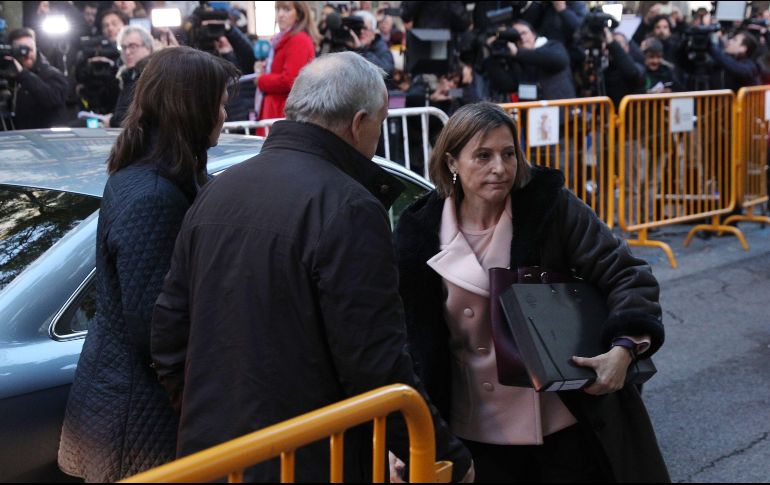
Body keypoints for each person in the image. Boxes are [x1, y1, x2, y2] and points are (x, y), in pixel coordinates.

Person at [151, 51, 474, 483]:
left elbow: (169, 334)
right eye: (379, 125)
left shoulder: (220, 189)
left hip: (213, 458)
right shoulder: (349, 206)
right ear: (359, 124)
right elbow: (374, 362)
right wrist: (445, 457)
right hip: (314, 460)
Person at [393, 102, 670, 482]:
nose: (500, 168)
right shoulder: (418, 233)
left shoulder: (548, 206)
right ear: (452, 162)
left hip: (565, 418)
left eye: (509, 154)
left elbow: (625, 272)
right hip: (474, 433)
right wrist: (403, 434)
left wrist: (623, 348)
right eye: (484, 156)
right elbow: (403, 339)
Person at [58, 46, 240, 482]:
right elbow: (154, 328)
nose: (224, 116)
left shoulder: (152, 176)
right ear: (192, 107)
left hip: (125, 405)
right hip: (135, 418)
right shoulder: (154, 196)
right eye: (218, 104)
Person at [254, 1, 317, 126]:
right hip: (277, 111)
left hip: (283, 113)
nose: (280, 14)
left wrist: (261, 80)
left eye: (286, 9)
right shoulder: (280, 39)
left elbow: (290, 80)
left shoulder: (299, 40)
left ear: (298, 14)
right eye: (278, 9)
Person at [4, 28, 68, 130]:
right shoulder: (9, 76)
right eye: (21, 50)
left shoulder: (52, 74)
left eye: (30, 49)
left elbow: (52, 99)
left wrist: (23, 74)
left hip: (46, 139)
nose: (27, 54)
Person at [107, 24, 155, 128]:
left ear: (148, 48)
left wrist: (112, 121)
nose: (127, 52)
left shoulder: (153, 75)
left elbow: (140, 119)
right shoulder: (127, 75)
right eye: (123, 47)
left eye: (133, 46)